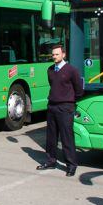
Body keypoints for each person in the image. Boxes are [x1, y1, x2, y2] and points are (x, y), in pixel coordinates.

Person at [37, 44, 83, 176]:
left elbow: (79, 90)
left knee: (66, 137)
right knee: (51, 137)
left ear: (63, 55)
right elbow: (53, 85)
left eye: (57, 54)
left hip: (65, 107)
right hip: (52, 106)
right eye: (53, 54)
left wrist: (70, 102)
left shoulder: (71, 70)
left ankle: (71, 165)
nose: (54, 57)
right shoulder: (50, 70)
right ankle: (51, 161)